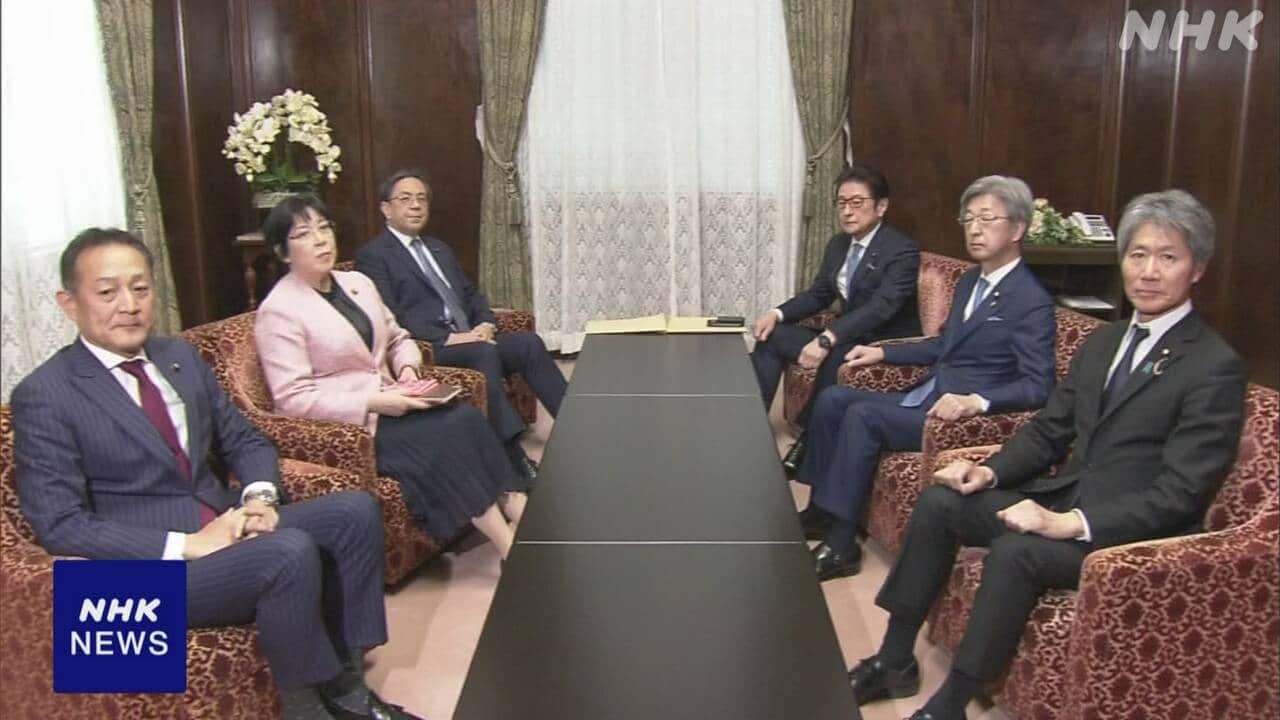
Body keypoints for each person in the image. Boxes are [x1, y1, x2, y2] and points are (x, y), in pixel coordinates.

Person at [850, 189, 1246, 720]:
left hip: (1125, 534)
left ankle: (952, 702)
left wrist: (1070, 523)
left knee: (1018, 551)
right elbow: (1048, 431)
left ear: (1196, 269)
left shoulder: (1214, 366)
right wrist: (988, 472)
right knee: (941, 503)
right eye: (1138, 254)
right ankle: (894, 657)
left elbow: (1181, 494)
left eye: (1167, 257)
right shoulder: (1104, 342)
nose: (1149, 272)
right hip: (1066, 496)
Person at [13, 228, 417, 720]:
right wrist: (187, 544)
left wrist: (260, 499)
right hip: (147, 570)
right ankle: (305, 710)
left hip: (225, 523)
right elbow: (59, 524)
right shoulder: (46, 393)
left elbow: (244, 439)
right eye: (107, 292)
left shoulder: (177, 356)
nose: (129, 305)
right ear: (69, 304)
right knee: (288, 552)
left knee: (353, 511)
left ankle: (349, 688)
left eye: (140, 288)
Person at [797, 175, 1056, 581]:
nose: (975, 229)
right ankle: (820, 511)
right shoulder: (970, 280)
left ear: (1017, 229)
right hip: (927, 393)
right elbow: (942, 344)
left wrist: (977, 402)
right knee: (833, 398)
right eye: (969, 218)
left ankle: (842, 544)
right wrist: (883, 352)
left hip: (958, 418)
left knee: (863, 415)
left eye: (987, 219)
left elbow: (1038, 385)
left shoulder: (1030, 299)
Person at [254, 195, 527, 561]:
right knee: (441, 437)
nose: (320, 240)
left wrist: (409, 369)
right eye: (303, 234)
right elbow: (293, 398)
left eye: (324, 228)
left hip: (397, 395)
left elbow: (398, 338)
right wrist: (374, 402)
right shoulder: (279, 311)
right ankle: (507, 545)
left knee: (464, 417)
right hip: (356, 423)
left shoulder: (357, 283)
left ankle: (519, 510)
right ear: (282, 252)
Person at [355, 169, 566, 481]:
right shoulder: (373, 256)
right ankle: (513, 458)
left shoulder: (439, 249)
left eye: (421, 199)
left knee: (527, 343)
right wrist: (455, 338)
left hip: (473, 338)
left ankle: (578, 425)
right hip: (432, 347)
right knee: (483, 353)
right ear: (386, 209)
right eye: (405, 199)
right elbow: (391, 316)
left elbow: (470, 294)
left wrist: (486, 325)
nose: (416, 205)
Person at [750, 163, 921, 472]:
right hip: (846, 334)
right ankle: (751, 420)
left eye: (857, 202)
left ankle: (808, 442)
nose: (847, 211)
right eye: (841, 203)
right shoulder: (839, 244)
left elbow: (881, 307)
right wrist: (776, 313)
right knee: (773, 334)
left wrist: (827, 337)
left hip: (880, 341)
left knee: (834, 352)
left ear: (881, 206)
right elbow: (819, 294)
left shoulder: (901, 250)